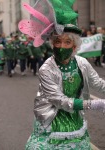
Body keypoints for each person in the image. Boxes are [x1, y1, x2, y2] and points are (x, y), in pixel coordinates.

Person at [18, 0, 105, 149]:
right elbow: (59, 100)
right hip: (52, 119)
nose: (61, 46)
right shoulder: (46, 69)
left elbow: (97, 83)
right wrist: (94, 104)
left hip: (74, 117)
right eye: (57, 41)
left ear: (74, 46)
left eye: (67, 42)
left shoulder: (81, 62)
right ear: (52, 43)